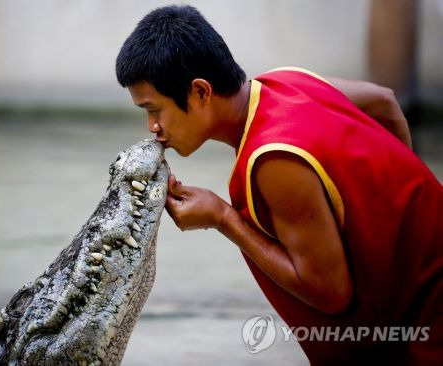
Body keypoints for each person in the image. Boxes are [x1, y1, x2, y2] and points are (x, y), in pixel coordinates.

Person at [115, 5, 442, 365]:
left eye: (154, 110)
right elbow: (385, 101)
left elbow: (331, 293)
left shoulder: (272, 159)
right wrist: (406, 208)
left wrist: (223, 217)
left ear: (201, 92)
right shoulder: (288, 81)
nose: (152, 128)